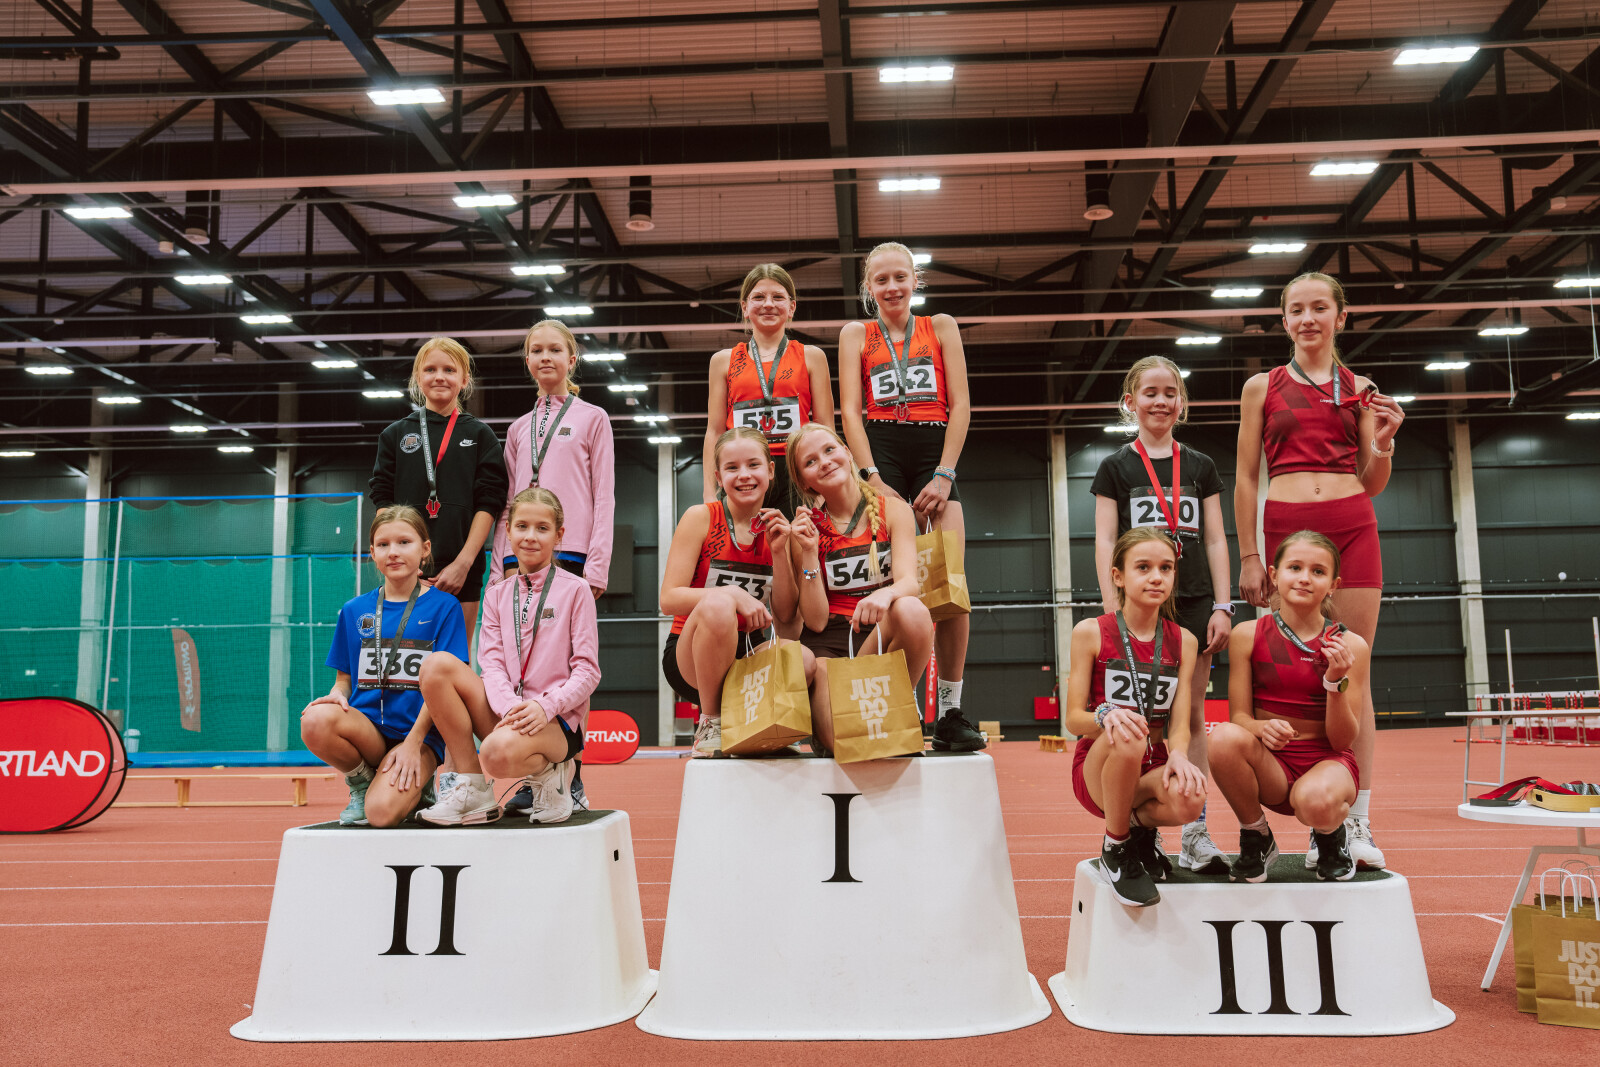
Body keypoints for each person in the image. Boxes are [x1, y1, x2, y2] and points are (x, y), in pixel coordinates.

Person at [1234, 272, 1404, 870]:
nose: (1308, 319)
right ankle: (1300, 805)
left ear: (1341, 316)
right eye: (1297, 310)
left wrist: (1384, 442)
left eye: (1320, 308)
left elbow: (1371, 482)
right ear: (1284, 321)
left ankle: (1354, 818)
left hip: (1352, 526)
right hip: (1284, 529)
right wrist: (1250, 554)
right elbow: (1246, 476)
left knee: (1353, 671)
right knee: (1288, 673)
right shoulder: (1262, 386)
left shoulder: (1362, 389)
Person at [837, 242, 981, 751]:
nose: (892, 287)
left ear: (915, 280)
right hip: (880, 450)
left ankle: (950, 709)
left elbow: (961, 403)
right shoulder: (856, 334)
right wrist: (871, 477)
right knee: (893, 581)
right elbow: (849, 411)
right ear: (868, 287)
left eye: (900, 277)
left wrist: (944, 474)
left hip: (934, 446)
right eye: (881, 280)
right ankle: (901, 702)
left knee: (950, 583)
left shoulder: (941, 326)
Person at [1092, 355, 1231, 875]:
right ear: (1130, 402)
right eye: (1150, 393)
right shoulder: (1115, 467)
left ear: (1182, 401)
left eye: (1170, 393)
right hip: (1138, 607)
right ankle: (1133, 826)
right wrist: (1112, 609)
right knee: (1137, 715)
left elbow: (1214, 538)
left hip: (1192, 601)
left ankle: (1195, 833)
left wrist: (1222, 604)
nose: (1161, 402)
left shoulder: (1200, 466)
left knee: (1190, 716)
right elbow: (1105, 540)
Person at [416, 488, 599, 825]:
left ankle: (554, 774)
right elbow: (492, 665)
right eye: (522, 526)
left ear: (559, 535)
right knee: (434, 667)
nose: (530, 536)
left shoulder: (577, 589)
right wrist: (511, 707)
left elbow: (588, 671)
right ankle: (473, 788)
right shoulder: (497, 594)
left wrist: (545, 706)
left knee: (496, 754)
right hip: (508, 712)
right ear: (508, 531)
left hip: (556, 720)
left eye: (542, 528)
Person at [492, 319, 615, 815]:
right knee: (525, 663)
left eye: (555, 350)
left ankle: (573, 773)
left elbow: (604, 493)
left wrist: (597, 566)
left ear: (571, 359)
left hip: (573, 552)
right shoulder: (517, 428)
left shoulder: (593, 418)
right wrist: (501, 563)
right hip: (519, 556)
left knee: (569, 665)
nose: (546, 357)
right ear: (527, 361)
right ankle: (537, 774)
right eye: (536, 350)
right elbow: (508, 502)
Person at [1209, 531, 1367, 883]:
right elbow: (1239, 717)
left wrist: (1335, 682)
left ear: (1333, 585)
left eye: (1318, 571)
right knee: (1221, 738)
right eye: (1295, 567)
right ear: (1274, 574)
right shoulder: (1247, 634)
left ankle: (1330, 837)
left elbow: (1342, 740)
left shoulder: (1350, 644)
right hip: (1272, 769)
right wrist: (1260, 728)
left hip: (1327, 764)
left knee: (1315, 801)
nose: (1305, 578)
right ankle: (1256, 836)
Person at [300, 506, 468, 828]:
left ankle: (421, 787)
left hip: (418, 736)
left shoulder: (444, 607)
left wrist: (413, 743)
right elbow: (344, 678)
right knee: (314, 720)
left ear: (424, 549)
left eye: (404, 542)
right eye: (383, 544)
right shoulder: (354, 610)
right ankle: (362, 782)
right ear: (373, 553)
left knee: (381, 815)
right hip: (368, 730)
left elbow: (447, 691)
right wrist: (337, 694)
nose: (393, 552)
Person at [1064, 528, 1204, 908]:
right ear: (1118, 576)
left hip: (1153, 761)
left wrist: (1179, 754)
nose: (1156, 577)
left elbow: (1179, 721)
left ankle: (1140, 832)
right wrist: (1106, 715)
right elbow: (1073, 719)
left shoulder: (1185, 641)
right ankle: (1117, 847)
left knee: (1191, 799)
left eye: (1166, 568)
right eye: (1143, 567)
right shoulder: (1091, 632)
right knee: (1128, 734)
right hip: (1101, 763)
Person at [786, 422, 934, 754]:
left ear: (847, 452)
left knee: (912, 609)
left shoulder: (894, 509)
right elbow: (815, 621)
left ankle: (900, 700)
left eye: (829, 450)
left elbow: (909, 582)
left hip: (878, 634)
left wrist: (886, 593)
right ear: (804, 481)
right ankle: (830, 722)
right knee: (844, 743)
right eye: (810, 461)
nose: (824, 462)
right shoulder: (805, 530)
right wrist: (808, 551)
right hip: (829, 646)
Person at [662, 427, 812, 756]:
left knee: (803, 660)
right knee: (718, 606)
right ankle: (711, 722)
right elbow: (669, 598)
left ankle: (763, 724)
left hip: (748, 649)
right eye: (732, 468)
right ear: (718, 477)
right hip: (691, 655)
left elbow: (786, 615)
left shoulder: (780, 528)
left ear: (770, 471)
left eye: (753, 465)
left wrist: (779, 552)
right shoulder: (700, 517)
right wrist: (731, 593)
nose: (744, 475)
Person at [368, 337, 507, 644]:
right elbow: (383, 498)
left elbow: (489, 502)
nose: (439, 377)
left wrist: (463, 564)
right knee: (406, 657)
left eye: (449, 370)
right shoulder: (395, 434)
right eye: (430, 369)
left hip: (462, 571)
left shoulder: (481, 435)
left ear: (464, 379)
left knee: (454, 660)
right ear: (418, 377)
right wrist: (400, 557)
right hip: (408, 569)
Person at [702, 264, 834, 514]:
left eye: (778, 297)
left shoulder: (812, 356)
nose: (768, 304)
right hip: (743, 471)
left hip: (797, 473)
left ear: (792, 307)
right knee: (744, 539)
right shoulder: (722, 361)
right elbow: (714, 431)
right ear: (745, 307)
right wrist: (709, 492)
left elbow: (825, 427)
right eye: (759, 297)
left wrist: (824, 488)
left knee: (797, 539)